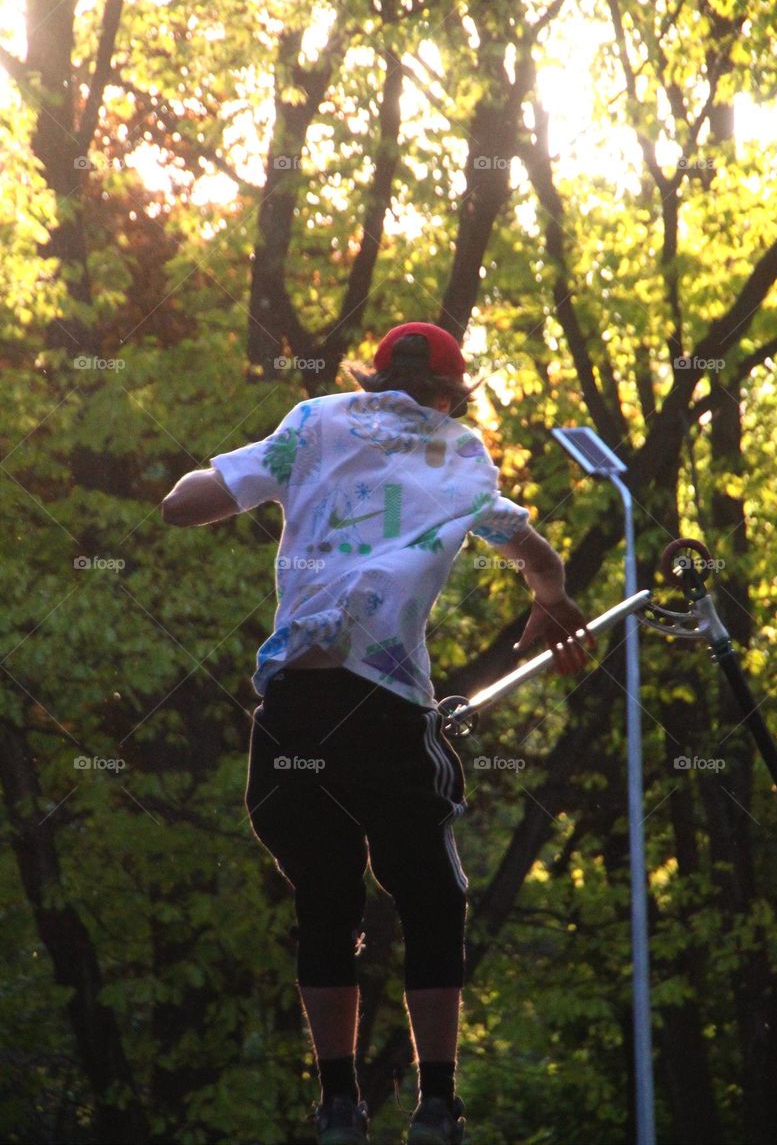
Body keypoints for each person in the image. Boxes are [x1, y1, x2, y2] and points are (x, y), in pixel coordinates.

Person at [161, 322, 595, 1145]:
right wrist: (551, 592)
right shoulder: (460, 452)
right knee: (433, 897)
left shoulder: (316, 422)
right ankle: (435, 1106)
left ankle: (336, 1106)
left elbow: (188, 503)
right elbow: (524, 543)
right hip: (386, 705)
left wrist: (208, 480)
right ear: (446, 394)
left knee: (326, 898)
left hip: (293, 709)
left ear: (372, 380)